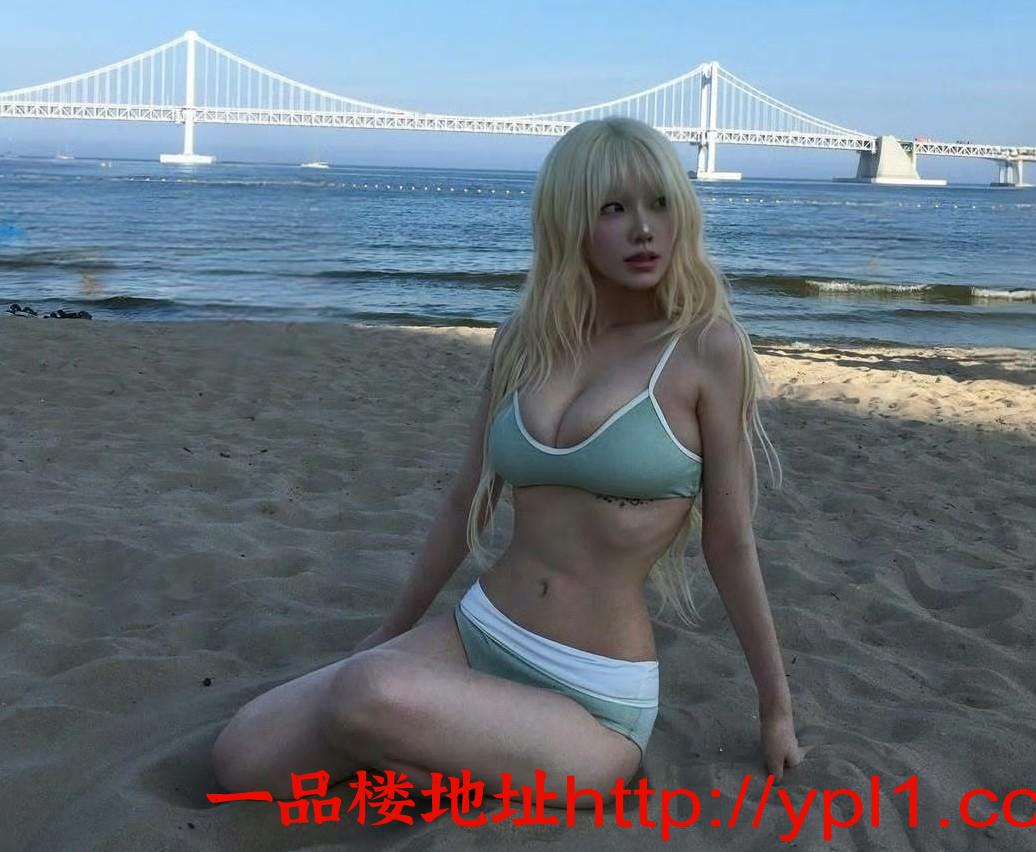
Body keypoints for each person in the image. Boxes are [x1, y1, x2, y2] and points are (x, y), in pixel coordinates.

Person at [210, 118, 803, 807]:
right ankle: (440, 755)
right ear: (569, 221)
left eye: (660, 203)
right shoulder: (524, 341)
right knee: (241, 758)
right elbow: (464, 500)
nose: (644, 229)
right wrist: (392, 630)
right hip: (478, 633)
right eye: (613, 208)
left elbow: (731, 543)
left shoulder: (706, 349)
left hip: (594, 693)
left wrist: (775, 707)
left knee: (366, 691)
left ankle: (427, 751)